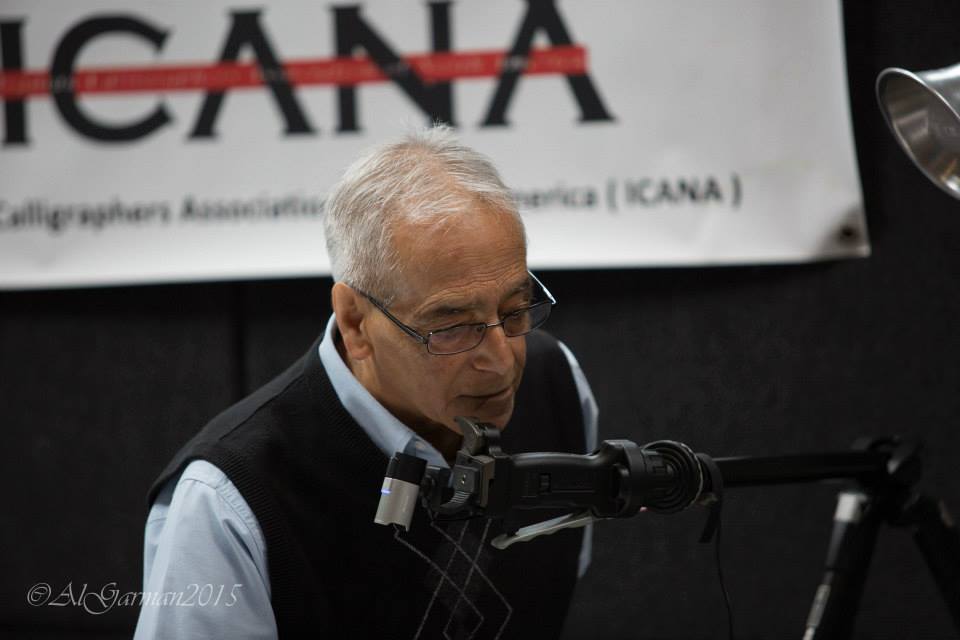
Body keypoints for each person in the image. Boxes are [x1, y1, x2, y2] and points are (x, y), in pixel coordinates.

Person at [134, 126, 598, 639]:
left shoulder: (558, 387)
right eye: (452, 326)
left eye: (516, 311)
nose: (502, 360)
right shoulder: (228, 503)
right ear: (356, 322)